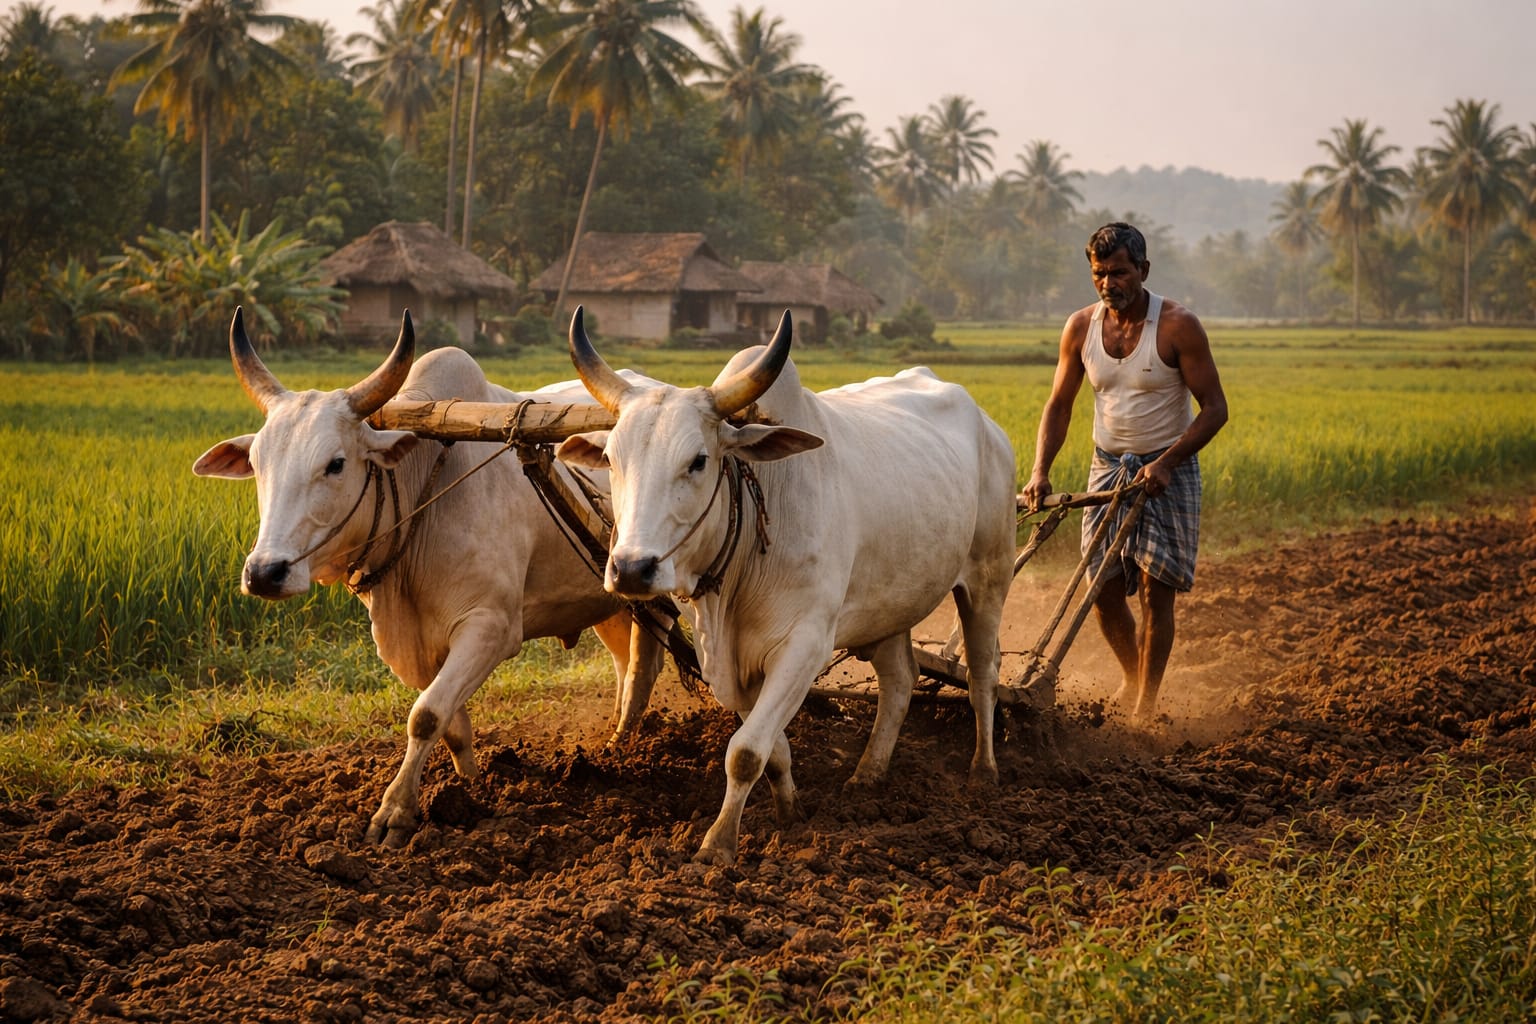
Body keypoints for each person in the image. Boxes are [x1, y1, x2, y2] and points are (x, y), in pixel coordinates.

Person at [1020, 222, 1228, 720]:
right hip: (1108, 468)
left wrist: (1167, 462)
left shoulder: (1177, 326)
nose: (1109, 283)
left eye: (1119, 272)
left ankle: (1146, 705)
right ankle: (1133, 677)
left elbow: (1215, 408)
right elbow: (1060, 404)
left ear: (1143, 270)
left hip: (1167, 471)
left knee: (1158, 592)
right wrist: (1039, 470)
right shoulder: (1080, 328)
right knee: (1103, 591)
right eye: (1099, 274)